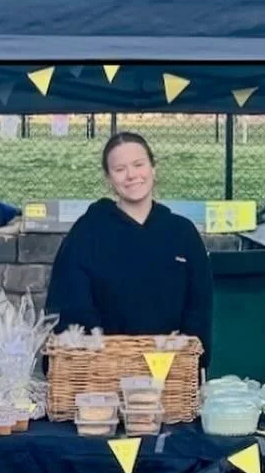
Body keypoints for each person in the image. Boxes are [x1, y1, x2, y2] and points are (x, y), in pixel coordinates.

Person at [45, 132, 213, 347]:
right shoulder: (87, 232)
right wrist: (102, 352)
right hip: (102, 367)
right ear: (109, 178)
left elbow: (199, 307)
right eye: (119, 169)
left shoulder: (183, 232)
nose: (131, 175)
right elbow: (71, 305)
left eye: (138, 164)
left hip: (171, 366)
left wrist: (185, 352)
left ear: (153, 168)